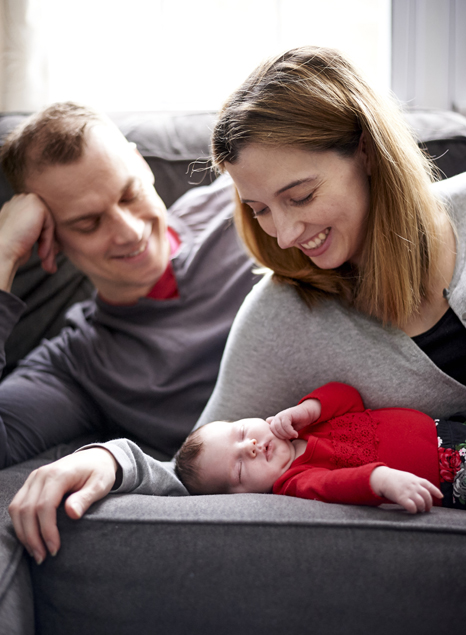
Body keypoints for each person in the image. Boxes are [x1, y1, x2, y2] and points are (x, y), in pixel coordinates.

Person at [9, 47, 466, 559]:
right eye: (88, 223)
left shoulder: (238, 214)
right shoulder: (280, 310)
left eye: (301, 197)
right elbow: (201, 467)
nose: (287, 235)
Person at [0, 101, 257, 557]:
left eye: (129, 194)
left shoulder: (249, 206)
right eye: (88, 222)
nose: (129, 231)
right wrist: (2, 255)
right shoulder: (79, 363)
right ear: (49, 239)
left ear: (141, 164)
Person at [174, 381, 466, 513]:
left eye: (241, 431)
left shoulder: (301, 423)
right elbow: (335, 484)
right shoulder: (294, 483)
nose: (248, 447)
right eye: (238, 468)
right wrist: (380, 478)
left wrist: (310, 409)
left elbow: (349, 398)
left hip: (447, 430)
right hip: (449, 478)